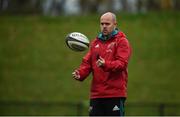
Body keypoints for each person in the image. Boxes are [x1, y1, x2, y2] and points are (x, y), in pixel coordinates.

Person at [72, 12, 132, 116]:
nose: (104, 26)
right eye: (102, 23)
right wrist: (80, 73)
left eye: (107, 24)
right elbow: (87, 63)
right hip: (97, 95)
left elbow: (122, 64)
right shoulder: (95, 43)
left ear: (115, 24)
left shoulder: (122, 41)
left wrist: (106, 64)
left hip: (115, 94)